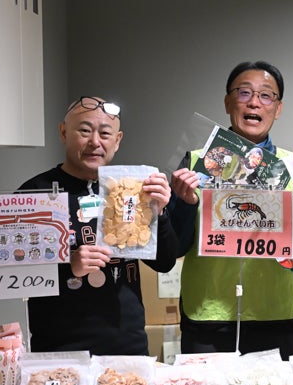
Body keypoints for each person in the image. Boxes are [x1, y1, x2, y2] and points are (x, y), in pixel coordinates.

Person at [18, 96, 178, 355]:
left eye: (105, 133)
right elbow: (13, 275)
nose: (95, 142)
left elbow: (165, 263)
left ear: (117, 140)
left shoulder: (133, 189)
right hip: (59, 348)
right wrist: (68, 265)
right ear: (63, 132)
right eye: (84, 131)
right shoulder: (35, 193)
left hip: (127, 345)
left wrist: (160, 212)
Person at [168, 61, 293, 360]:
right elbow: (172, 250)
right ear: (228, 102)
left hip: (275, 315)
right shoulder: (196, 163)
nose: (254, 102)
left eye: (266, 95)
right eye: (244, 93)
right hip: (207, 316)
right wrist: (185, 205)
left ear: (278, 108)